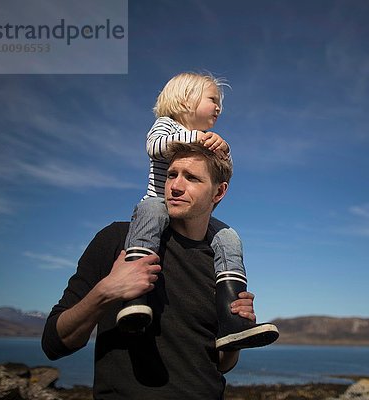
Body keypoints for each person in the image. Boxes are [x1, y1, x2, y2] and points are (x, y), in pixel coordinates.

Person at [41, 142, 276, 399]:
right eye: (172, 174)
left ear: (218, 193)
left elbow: (218, 364)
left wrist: (234, 338)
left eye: (192, 178)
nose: (175, 186)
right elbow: (54, 343)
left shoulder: (222, 265)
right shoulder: (117, 240)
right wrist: (106, 291)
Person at [117, 72, 278, 351]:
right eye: (213, 99)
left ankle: (232, 320)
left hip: (189, 215)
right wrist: (199, 137)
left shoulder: (207, 139)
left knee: (228, 236)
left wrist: (221, 151)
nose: (218, 108)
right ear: (185, 99)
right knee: (151, 211)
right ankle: (135, 299)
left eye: (219, 105)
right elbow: (153, 147)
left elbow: (216, 178)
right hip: (158, 203)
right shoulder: (164, 126)